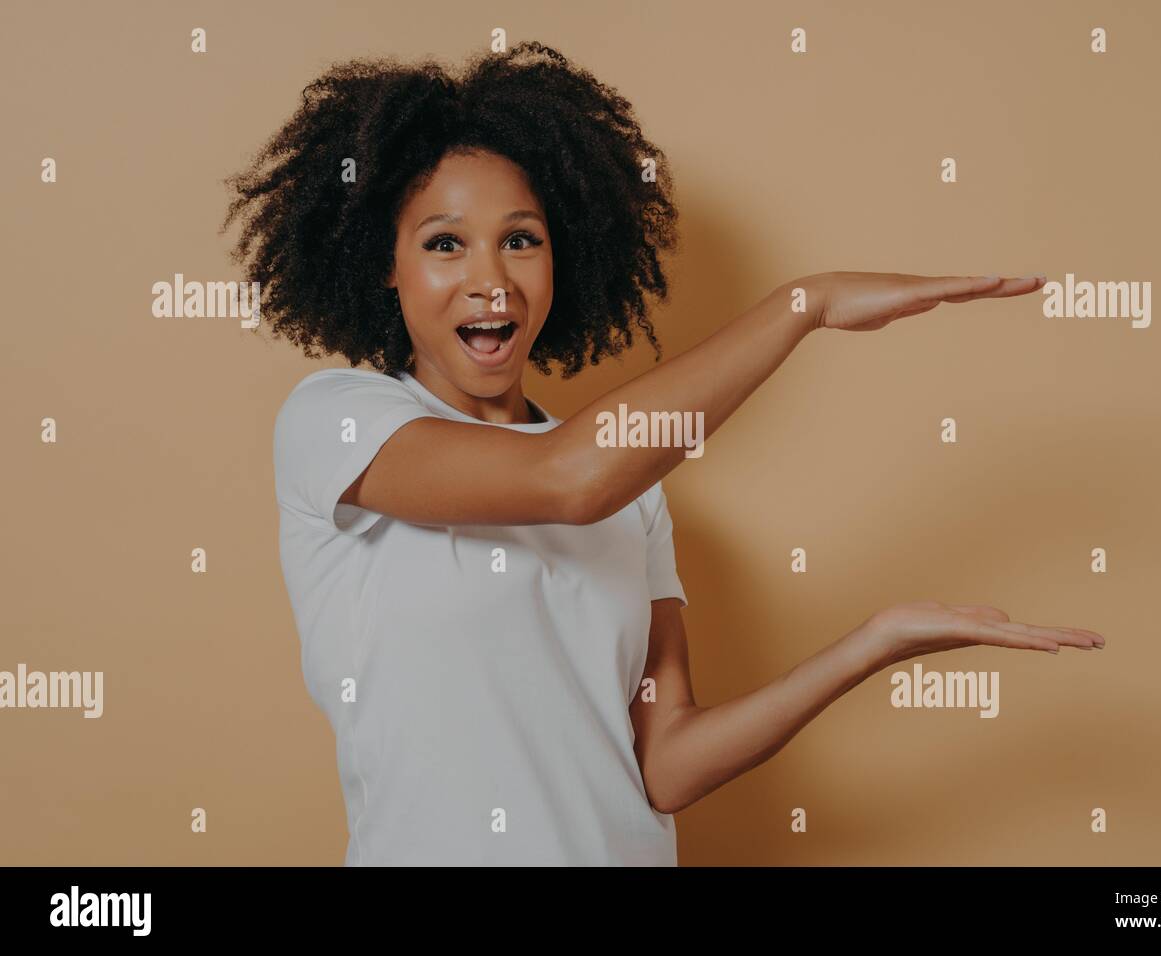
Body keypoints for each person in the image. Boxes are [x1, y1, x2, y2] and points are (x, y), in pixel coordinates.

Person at [221, 41, 1104, 866]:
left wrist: (872, 644)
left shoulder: (637, 494)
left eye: (521, 238)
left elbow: (665, 764)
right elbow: (565, 479)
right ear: (386, 264)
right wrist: (806, 304)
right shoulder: (337, 423)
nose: (490, 279)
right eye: (444, 243)